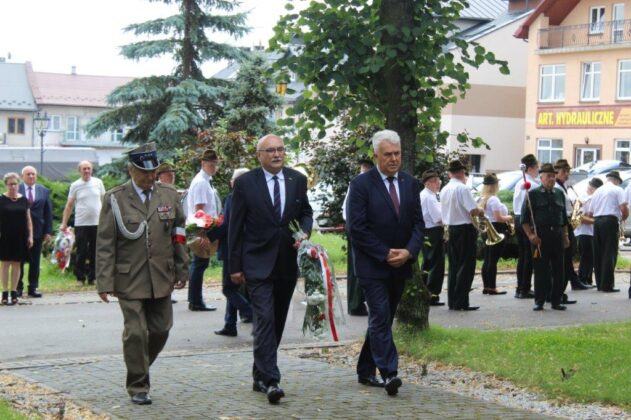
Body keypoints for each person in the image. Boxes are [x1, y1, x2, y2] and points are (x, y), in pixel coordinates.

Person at [96, 143, 188, 405]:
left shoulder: (169, 195)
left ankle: (140, 365)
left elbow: (178, 235)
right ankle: (138, 385)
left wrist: (183, 269)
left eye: (153, 172)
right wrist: (104, 281)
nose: (150, 177)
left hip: (161, 275)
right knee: (136, 332)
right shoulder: (115, 198)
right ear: (131, 169)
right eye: (143, 172)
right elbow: (105, 244)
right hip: (128, 277)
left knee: (161, 329)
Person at [228, 134, 313, 404]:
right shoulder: (245, 183)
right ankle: (271, 379)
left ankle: (259, 375)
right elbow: (235, 226)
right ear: (259, 155)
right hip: (256, 262)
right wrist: (234, 266)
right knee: (263, 319)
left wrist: (305, 232)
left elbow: (306, 213)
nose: (277, 154)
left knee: (275, 321)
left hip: (286, 262)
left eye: (280, 150)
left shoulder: (297, 180)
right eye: (271, 150)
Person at [347, 129, 424, 396]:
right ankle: (389, 372)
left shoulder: (411, 183)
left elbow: (418, 224)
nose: (393, 159)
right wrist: (384, 253)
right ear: (376, 155)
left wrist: (409, 252)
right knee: (379, 315)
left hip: (401, 263)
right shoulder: (361, 185)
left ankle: (365, 370)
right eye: (388, 154)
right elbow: (357, 228)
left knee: (384, 319)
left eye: (397, 154)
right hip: (372, 265)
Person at [521, 163, 570, 311]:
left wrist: (566, 236)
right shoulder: (532, 194)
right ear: (541, 177)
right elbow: (524, 219)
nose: (552, 178)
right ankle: (539, 300)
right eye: (549, 176)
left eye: (554, 176)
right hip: (540, 236)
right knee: (541, 270)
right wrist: (530, 235)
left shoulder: (559, 193)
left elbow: (563, 218)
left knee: (558, 270)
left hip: (556, 235)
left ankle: (556, 300)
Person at [441, 159, 484, 311]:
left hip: (450, 229)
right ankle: (461, 302)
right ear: (461, 172)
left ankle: (452, 301)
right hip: (464, 229)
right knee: (466, 267)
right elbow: (473, 210)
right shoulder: (462, 188)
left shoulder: (445, 189)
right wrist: (481, 209)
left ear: (449, 173)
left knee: (453, 266)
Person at [214, 167, 253, 337]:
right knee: (235, 288)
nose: (230, 181)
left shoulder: (233, 197)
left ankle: (253, 314)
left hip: (233, 249)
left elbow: (228, 226)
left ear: (236, 182)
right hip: (248, 248)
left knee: (229, 288)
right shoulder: (253, 197)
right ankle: (230, 324)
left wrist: (208, 233)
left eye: (232, 179)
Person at [185, 148, 221, 312]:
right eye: (210, 164)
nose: (213, 167)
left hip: (203, 227)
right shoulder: (201, 182)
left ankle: (194, 300)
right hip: (201, 228)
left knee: (199, 264)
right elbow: (199, 210)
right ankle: (196, 301)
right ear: (203, 163)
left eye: (215, 164)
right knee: (199, 264)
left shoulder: (205, 180)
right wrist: (203, 235)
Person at [60, 161, 105, 285]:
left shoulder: (98, 183)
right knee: (82, 251)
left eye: (88, 168)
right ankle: (80, 278)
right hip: (81, 223)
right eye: (84, 169)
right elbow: (69, 205)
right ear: (79, 171)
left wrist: (107, 219)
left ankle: (93, 277)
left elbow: (104, 202)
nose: (86, 171)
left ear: (91, 170)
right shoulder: (75, 185)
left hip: (97, 223)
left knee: (95, 252)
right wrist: (64, 223)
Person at [342, 158, 374, 316]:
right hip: (359, 228)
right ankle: (356, 304)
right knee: (358, 266)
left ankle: (356, 303)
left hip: (353, 226)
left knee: (355, 267)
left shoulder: (355, 181)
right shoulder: (362, 182)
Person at [554, 159, 591, 291]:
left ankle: (574, 281)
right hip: (563, 223)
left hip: (568, 222)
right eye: (564, 171)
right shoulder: (557, 187)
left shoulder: (563, 186)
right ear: (557, 172)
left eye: (568, 171)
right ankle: (568, 285)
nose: (567, 175)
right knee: (565, 256)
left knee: (568, 255)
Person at [590, 170, 629, 292]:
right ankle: (607, 285)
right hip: (610, 221)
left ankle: (600, 284)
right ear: (616, 180)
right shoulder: (618, 190)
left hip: (597, 222)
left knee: (599, 252)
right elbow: (623, 208)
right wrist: (623, 218)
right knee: (609, 253)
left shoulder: (597, 191)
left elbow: (590, 212)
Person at [17, 166, 53, 298]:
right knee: (19, 261)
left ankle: (33, 287)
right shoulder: (17, 189)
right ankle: (18, 288)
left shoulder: (43, 191)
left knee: (35, 262)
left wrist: (48, 231)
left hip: (38, 230)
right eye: (28, 174)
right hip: (20, 231)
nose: (31, 176)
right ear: (23, 177)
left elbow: (48, 212)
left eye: (33, 174)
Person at [0, 172, 33, 305]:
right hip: (5, 236)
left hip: (21, 236)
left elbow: (28, 219)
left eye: (15, 184)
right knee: (5, 264)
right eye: (10, 184)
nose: (13, 186)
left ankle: (14, 293)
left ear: (18, 184)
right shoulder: (1, 200)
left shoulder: (24, 200)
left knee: (16, 264)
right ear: (6, 185)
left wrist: (30, 235)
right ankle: (4, 293)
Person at [479, 173, 511, 295]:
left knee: (488, 259)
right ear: (494, 185)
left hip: (488, 229)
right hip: (497, 228)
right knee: (493, 260)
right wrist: (509, 217)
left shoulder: (483, 199)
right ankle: (492, 287)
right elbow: (498, 218)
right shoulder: (493, 199)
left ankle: (486, 286)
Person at [513, 154, 539, 299]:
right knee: (528, 256)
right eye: (536, 168)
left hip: (518, 218)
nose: (538, 170)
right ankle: (524, 288)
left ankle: (520, 287)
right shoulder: (531, 184)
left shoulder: (519, 183)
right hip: (526, 220)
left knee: (523, 256)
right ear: (530, 168)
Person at [419, 169, 445, 306]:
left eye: (438, 180)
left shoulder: (426, 194)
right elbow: (438, 218)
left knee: (428, 262)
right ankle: (432, 294)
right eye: (435, 181)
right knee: (436, 264)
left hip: (427, 231)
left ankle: (425, 292)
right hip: (433, 231)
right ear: (428, 183)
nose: (438, 183)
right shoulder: (429, 197)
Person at [156, 162, 179, 304]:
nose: (173, 176)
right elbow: (164, 215)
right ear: (162, 175)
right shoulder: (160, 191)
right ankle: (162, 293)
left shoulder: (171, 190)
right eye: (170, 174)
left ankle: (166, 292)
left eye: (173, 174)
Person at [575, 177, 603, 286]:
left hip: (589, 232)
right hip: (584, 232)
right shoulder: (584, 199)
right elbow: (580, 218)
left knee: (590, 257)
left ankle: (588, 279)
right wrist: (597, 221)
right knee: (586, 257)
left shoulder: (590, 198)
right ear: (593, 189)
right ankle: (582, 279)